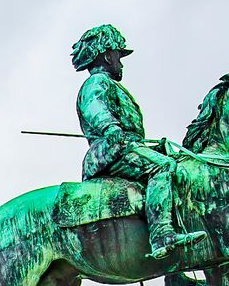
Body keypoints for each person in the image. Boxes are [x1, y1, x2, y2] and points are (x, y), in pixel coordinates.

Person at [72, 24, 198, 259]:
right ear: (108, 55)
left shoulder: (109, 84)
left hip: (125, 146)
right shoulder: (97, 83)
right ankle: (162, 236)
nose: (120, 62)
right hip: (110, 150)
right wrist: (110, 127)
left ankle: (174, 272)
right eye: (119, 56)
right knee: (162, 167)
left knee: (174, 165)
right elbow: (95, 106)